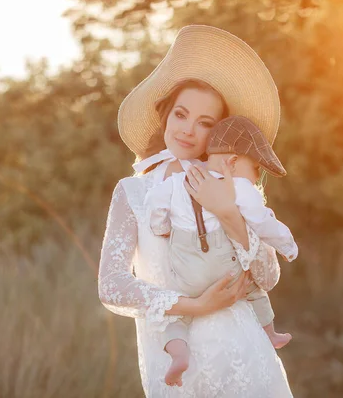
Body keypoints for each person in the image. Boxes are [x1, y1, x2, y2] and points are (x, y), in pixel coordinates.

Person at [98, 25, 293, 397]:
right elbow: (111, 286)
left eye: (205, 123)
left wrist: (230, 214)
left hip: (243, 353)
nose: (188, 130)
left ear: (218, 134)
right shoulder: (133, 191)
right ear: (166, 116)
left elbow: (267, 276)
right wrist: (195, 306)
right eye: (181, 115)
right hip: (175, 357)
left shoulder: (227, 184)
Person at [144, 115, 298, 386]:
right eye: (255, 170)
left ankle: (179, 354)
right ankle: (270, 333)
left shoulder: (177, 181)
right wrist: (287, 245)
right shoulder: (238, 186)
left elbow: (155, 206)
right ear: (233, 162)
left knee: (175, 313)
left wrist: (162, 227)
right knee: (254, 291)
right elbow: (263, 222)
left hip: (187, 269)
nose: (255, 179)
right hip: (225, 269)